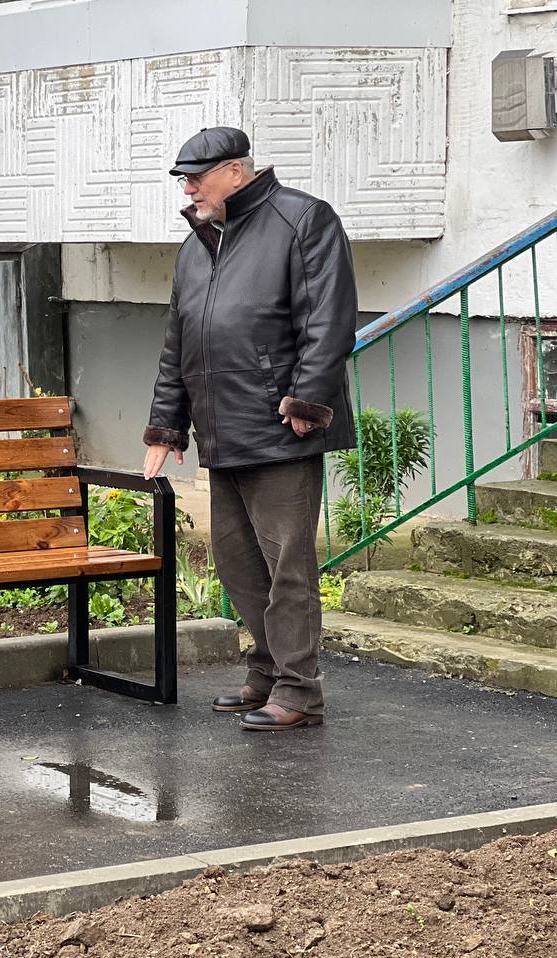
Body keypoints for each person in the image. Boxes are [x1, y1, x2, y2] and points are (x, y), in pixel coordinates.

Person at [142, 127, 357, 732]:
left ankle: (299, 693)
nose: (188, 188)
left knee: (288, 566)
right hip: (221, 427)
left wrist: (308, 399)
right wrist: (166, 426)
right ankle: (265, 674)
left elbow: (330, 316)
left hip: (281, 426)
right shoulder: (197, 244)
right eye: (183, 178)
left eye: (197, 176)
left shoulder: (303, 220)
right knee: (238, 564)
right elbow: (178, 342)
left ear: (236, 172)